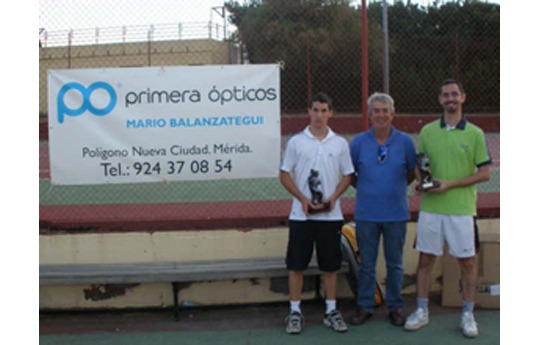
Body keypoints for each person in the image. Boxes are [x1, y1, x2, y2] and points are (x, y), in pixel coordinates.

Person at [404, 79, 491, 338]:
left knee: (467, 262)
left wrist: (450, 185)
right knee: (426, 260)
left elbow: (485, 173)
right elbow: (422, 165)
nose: (450, 99)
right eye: (445, 95)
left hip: (462, 211)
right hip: (431, 210)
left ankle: (467, 314)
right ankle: (422, 310)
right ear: (440, 100)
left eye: (455, 94)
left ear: (463, 97)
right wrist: (422, 181)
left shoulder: (475, 133)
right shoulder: (429, 131)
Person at [280, 92, 354, 334]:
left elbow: (348, 175)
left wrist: (334, 198)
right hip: (301, 216)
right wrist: (302, 199)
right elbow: (284, 174)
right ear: (308, 112)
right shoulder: (296, 142)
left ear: (330, 113)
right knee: (296, 265)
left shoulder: (340, 143)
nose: (319, 115)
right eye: (315, 110)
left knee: (330, 266)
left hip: (330, 217)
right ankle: (294, 311)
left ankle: (331, 310)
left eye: (324, 110)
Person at [348, 92, 417, 327]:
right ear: (369, 115)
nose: (381, 115)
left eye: (385, 110)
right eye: (376, 111)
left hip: (396, 213)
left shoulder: (406, 142)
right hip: (366, 214)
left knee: (395, 264)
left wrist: (392, 190)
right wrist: (371, 190)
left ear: (392, 113)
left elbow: (411, 173)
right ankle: (364, 306)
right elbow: (351, 176)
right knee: (366, 263)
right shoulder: (357, 143)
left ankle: (395, 306)